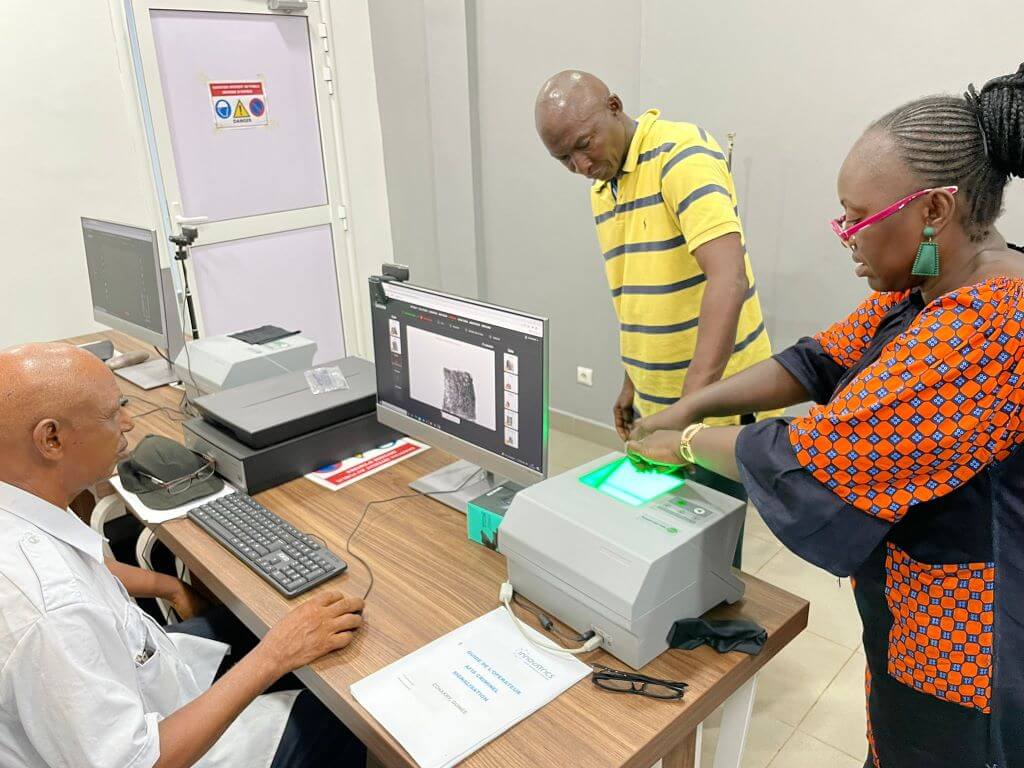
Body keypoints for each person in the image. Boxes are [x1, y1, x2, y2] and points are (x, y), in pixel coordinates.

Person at [625, 65, 1024, 767]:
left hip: (967, 647)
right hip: (913, 615)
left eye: (857, 217)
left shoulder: (984, 329)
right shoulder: (928, 286)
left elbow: (809, 454)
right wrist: (691, 400)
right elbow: (814, 361)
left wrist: (683, 442)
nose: (846, 235)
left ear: (933, 211)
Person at [0, 342, 366, 768]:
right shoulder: (50, 612)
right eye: (112, 412)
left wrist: (168, 585)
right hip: (156, 753)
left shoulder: (20, 505)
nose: (128, 421)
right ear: (52, 438)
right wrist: (276, 654)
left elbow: (80, 563)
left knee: (246, 623)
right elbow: (137, 762)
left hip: (139, 674)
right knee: (343, 714)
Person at [535, 70, 775, 507]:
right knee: (662, 539)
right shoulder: (604, 186)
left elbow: (729, 278)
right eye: (565, 159)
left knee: (707, 554)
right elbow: (638, 294)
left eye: (585, 144)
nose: (582, 167)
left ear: (615, 106)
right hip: (659, 406)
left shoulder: (682, 154)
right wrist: (633, 383)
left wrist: (687, 414)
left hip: (712, 407)